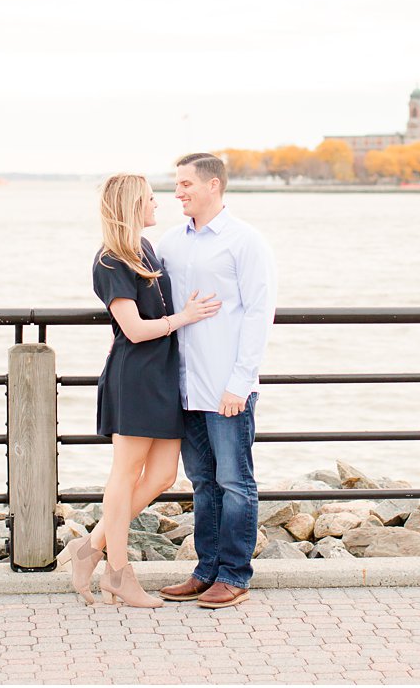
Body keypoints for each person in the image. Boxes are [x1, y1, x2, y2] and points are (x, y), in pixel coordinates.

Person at [55, 172, 220, 607]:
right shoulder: (110, 260)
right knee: (125, 474)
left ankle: (90, 547)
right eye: (149, 199)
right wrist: (184, 317)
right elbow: (133, 329)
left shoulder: (144, 248)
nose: (157, 204)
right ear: (131, 205)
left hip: (163, 376)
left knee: (164, 475)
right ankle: (118, 572)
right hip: (135, 377)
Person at [156, 152, 277, 609]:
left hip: (227, 386)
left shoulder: (245, 241)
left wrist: (241, 383)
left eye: (186, 183)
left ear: (213, 186)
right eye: (176, 184)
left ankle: (234, 574)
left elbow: (259, 314)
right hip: (184, 387)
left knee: (235, 482)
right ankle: (205, 571)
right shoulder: (170, 242)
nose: (178, 192)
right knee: (202, 483)